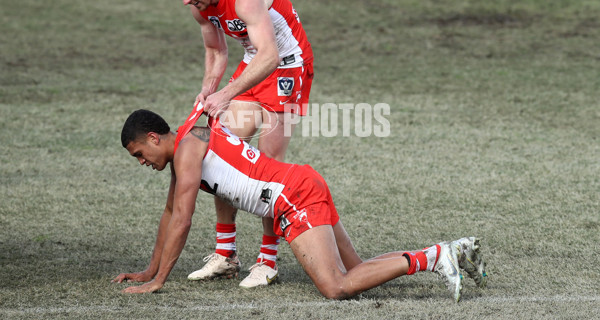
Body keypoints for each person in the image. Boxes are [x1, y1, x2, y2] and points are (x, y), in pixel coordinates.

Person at [112, 108, 488, 302]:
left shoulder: (190, 149)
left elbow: (183, 220)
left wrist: (160, 281)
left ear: (153, 137)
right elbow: (169, 214)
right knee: (358, 272)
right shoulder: (186, 147)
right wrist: (148, 270)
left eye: (139, 154)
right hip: (302, 182)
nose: (142, 162)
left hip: (294, 196)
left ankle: (436, 256)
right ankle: (449, 251)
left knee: (336, 287)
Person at [165, 0, 315, 287]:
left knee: (269, 164)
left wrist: (226, 94)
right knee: (224, 152)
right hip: (255, 64)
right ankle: (226, 254)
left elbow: (272, 56)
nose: (185, 0)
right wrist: (208, 90)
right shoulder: (200, 5)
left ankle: (268, 260)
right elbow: (216, 51)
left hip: (287, 66)